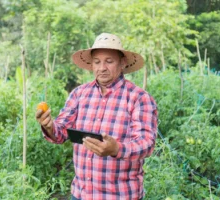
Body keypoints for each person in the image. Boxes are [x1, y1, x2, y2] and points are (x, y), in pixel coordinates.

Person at [36, 33, 158, 200]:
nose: (102, 68)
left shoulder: (138, 98)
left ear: (122, 63)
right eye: (97, 62)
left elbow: (146, 143)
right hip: (81, 194)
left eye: (109, 61)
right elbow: (61, 131)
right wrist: (49, 127)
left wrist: (116, 149)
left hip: (120, 195)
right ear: (91, 64)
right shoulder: (79, 94)